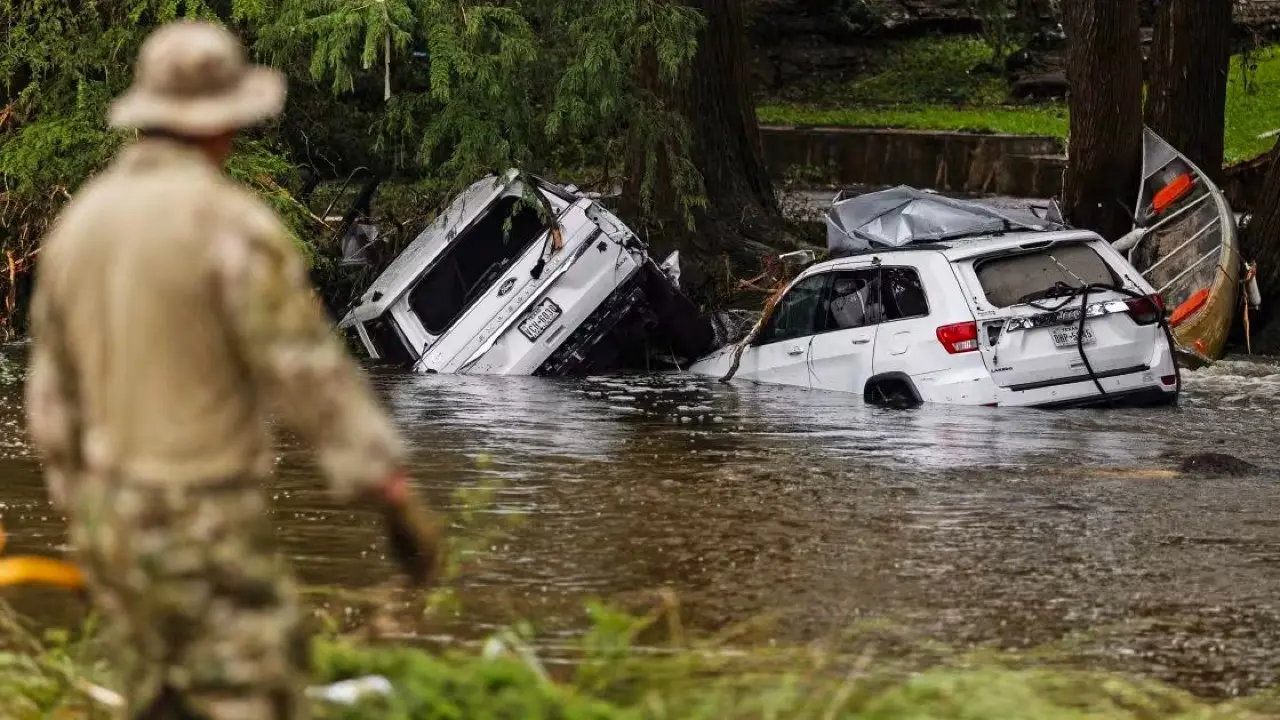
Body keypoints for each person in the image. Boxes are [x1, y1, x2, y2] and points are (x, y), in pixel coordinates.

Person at [23, 20, 439, 719]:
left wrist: (85, 506)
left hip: (108, 522)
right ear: (224, 126)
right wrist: (389, 487)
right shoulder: (228, 226)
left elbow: (49, 399)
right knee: (250, 698)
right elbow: (307, 373)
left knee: (158, 698)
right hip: (203, 519)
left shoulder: (79, 227)